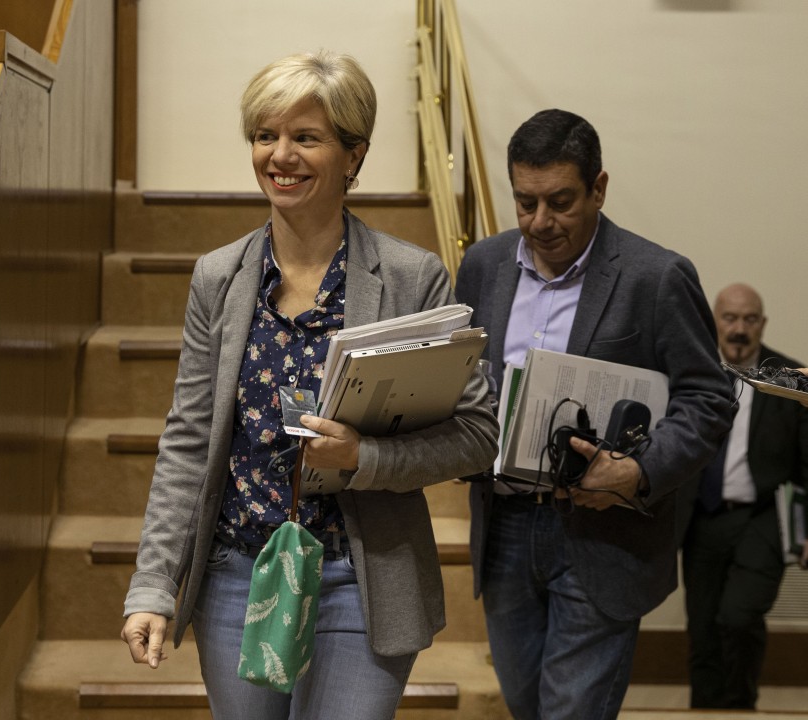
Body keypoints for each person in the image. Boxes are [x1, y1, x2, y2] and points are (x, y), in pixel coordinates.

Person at [119, 50, 498, 720]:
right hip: (238, 574)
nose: (280, 156)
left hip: (360, 577)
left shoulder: (412, 278)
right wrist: (153, 583)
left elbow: (476, 434)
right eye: (265, 135)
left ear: (354, 155)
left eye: (306, 137)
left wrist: (364, 458)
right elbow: (188, 442)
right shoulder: (218, 277)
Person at [454, 108, 735, 720]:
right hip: (503, 526)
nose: (540, 222)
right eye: (525, 203)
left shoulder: (656, 276)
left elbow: (709, 397)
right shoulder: (482, 265)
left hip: (603, 534)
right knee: (526, 706)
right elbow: (463, 379)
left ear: (598, 189)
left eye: (560, 202)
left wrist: (638, 472)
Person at [678, 282, 808, 709]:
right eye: (730, 318)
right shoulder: (691, 371)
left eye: (750, 319)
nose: (739, 329)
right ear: (714, 322)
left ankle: (738, 708)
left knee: (738, 617)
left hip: (763, 518)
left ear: (762, 324)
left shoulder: (790, 379)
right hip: (701, 518)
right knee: (702, 629)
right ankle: (704, 711)